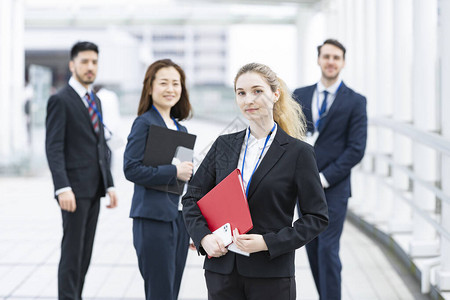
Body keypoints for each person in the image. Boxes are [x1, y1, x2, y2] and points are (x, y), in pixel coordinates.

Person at [182, 62, 329, 300]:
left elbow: (317, 218)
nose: (248, 99)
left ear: (275, 94)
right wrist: (203, 238)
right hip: (222, 270)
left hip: (271, 274)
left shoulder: (298, 153)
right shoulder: (224, 145)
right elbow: (191, 198)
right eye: (241, 93)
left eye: (257, 91)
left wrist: (267, 242)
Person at [293, 39, 368, 300]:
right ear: (318, 59)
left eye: (336, 57)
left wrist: (325, 178)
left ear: (343, 62)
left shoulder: (356, 101)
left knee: (327, 249)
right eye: (326, 56)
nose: (331, 62)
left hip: (334, 188)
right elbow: (290, 136)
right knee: (312, 248)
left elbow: (356, 149)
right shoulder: (299, 95)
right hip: (304, 188)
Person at [45, 41, 118, 300]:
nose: (90, 67)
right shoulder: (60, 100)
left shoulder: (94, 99)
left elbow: (100, 145)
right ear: (72, 65)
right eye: (85, 61)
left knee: (85, 253)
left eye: (94, 62)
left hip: (94, 187)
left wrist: (109, 183)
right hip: (73, 190)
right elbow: (53, 147)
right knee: (72, 252)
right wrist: (62, 187)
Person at [123, 59, 193, 300]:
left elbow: (183, 182)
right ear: (150, 87)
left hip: (179, 220)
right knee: (160, 292)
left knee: (172, 291)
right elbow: (131, 169)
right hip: (152, 220)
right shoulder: (143, 123)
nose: (170, 89)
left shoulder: (181, 131)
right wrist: (173, 171)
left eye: (176, 83)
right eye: (164, 83)